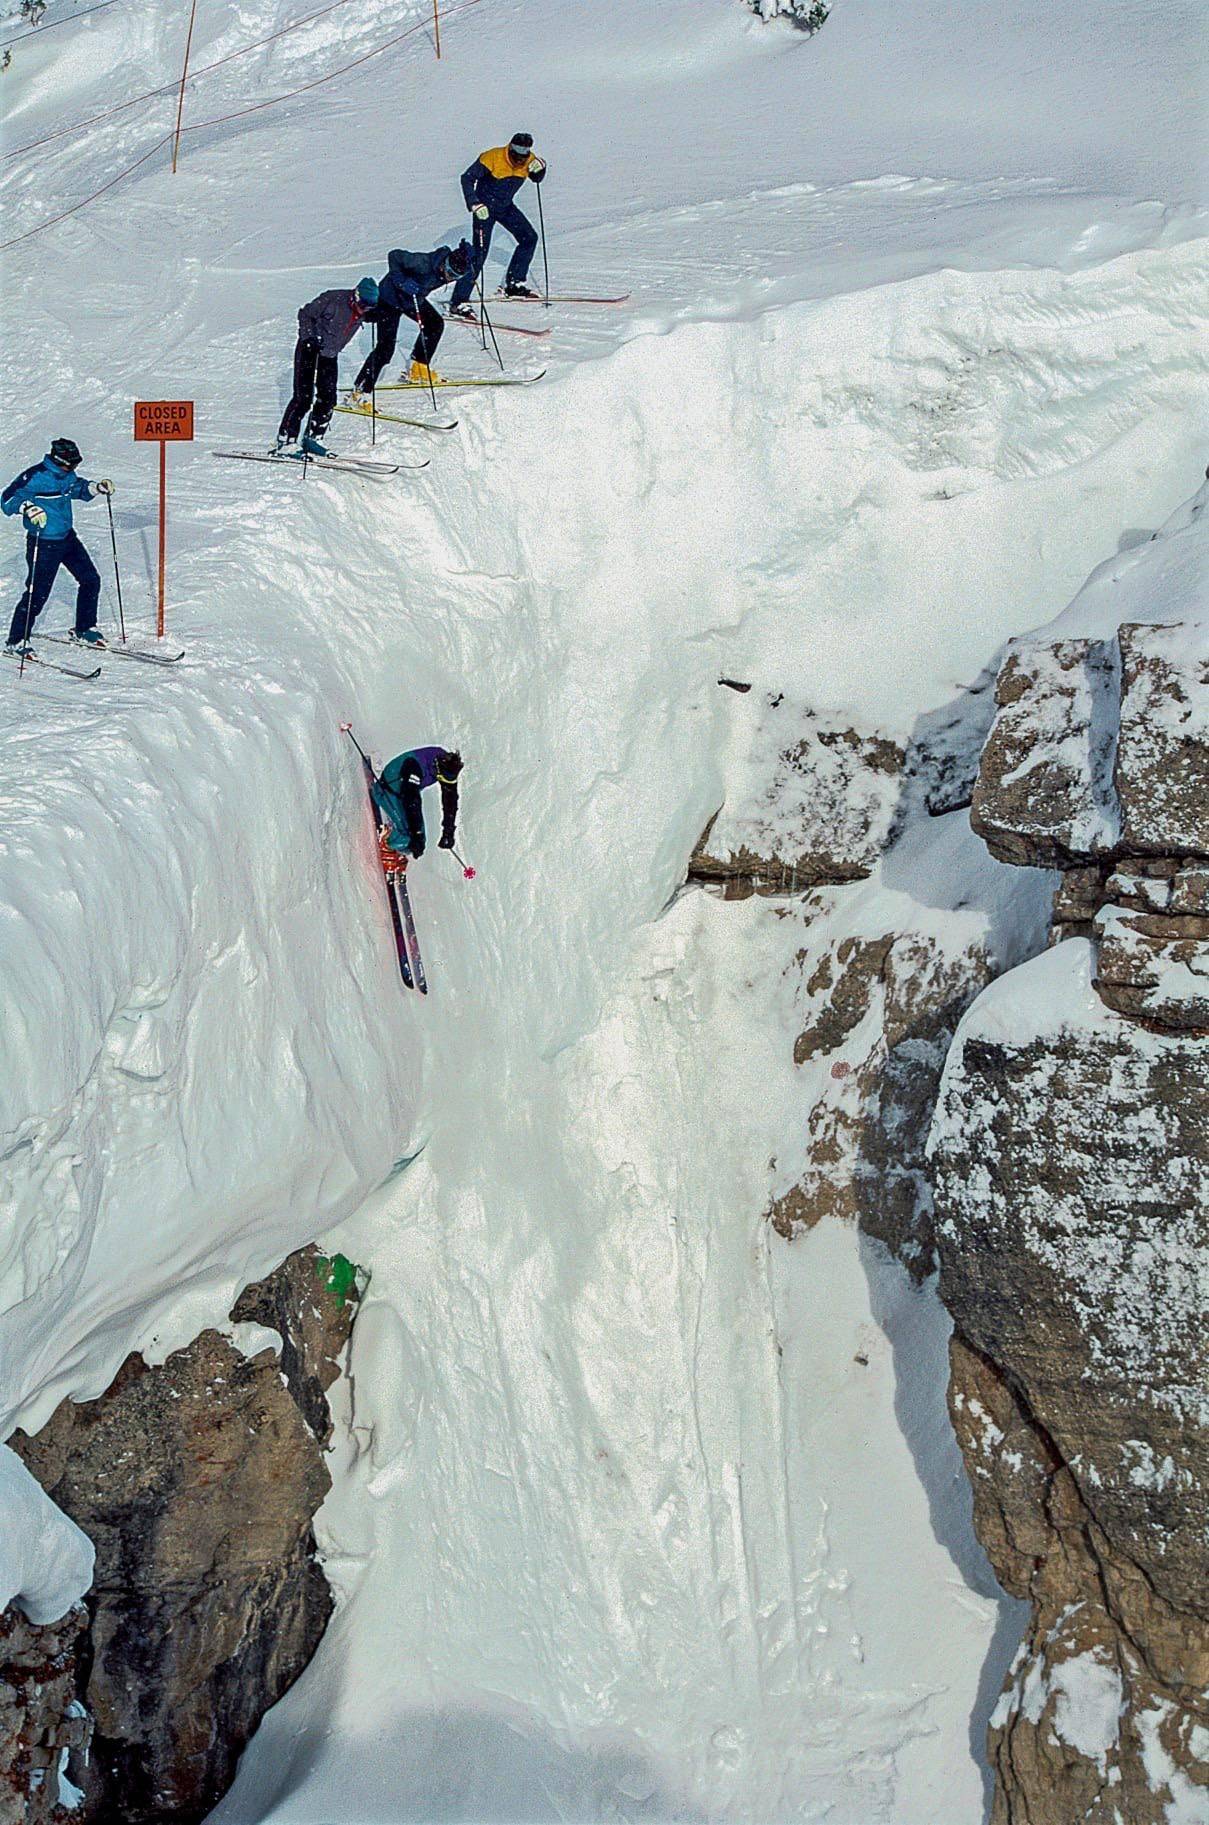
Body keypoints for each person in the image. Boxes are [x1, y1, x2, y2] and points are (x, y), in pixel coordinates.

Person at [3, 438, 114, 651]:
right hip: (43, 542)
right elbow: (7, 500)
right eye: (70, 464)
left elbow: (76, 488)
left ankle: (84, 628)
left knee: (90, 580)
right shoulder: (35, 476)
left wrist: (95, 488)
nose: (73, 468)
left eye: (75, 464)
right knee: (37, 593)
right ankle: (16, 641)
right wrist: (28, 508)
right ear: (58, 459)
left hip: (67, 538)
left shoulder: (67, 474)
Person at [349, 242, 472, 404]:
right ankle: (359, 392)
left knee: (434, 324)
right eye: (450, 272)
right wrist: (402, 281)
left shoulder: (447, 272)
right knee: (385, 349)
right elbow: (394, 255)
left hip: (412, 300)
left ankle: (418, 368)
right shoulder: (423, 262)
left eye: (455, 277)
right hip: (389, 300)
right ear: (445, 263)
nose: (450, 278)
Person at [276, 277, 379, 457]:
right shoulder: (333, 299)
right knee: (303, 398)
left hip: (329, 354)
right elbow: (305, 313)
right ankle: (286, 441)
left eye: (369, 307)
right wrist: (309, 337)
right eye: (363, 304)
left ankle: (313, 437)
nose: (364, 309)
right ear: (356, 295)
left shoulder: (364, 310)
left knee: (328, 397)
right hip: (309, 348)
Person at [448, 132, 546, 319]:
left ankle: (514, 284)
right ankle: (458, 302)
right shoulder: (492, 157)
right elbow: (467, 178)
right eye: (516, 157)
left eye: (523, 158)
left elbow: (536, 179)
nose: (519, 162)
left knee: (529, 238)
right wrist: (474, 203)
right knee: (479, 253)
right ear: (510, 149)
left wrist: (541, 168)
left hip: (505, 207)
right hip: (484, 209)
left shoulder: (528, 159)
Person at [372, 747, 463, 872]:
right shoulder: (414, 767)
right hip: (388, 790)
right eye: (442, 779)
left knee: (418, 839)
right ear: (438, 770)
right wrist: (416, 834)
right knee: (409, 838)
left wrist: (449, 831)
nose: (444, 783)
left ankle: (399, 838)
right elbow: (411, 800)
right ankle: (387, 847)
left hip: (406, 791)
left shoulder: (446, 766)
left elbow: (450, 800)